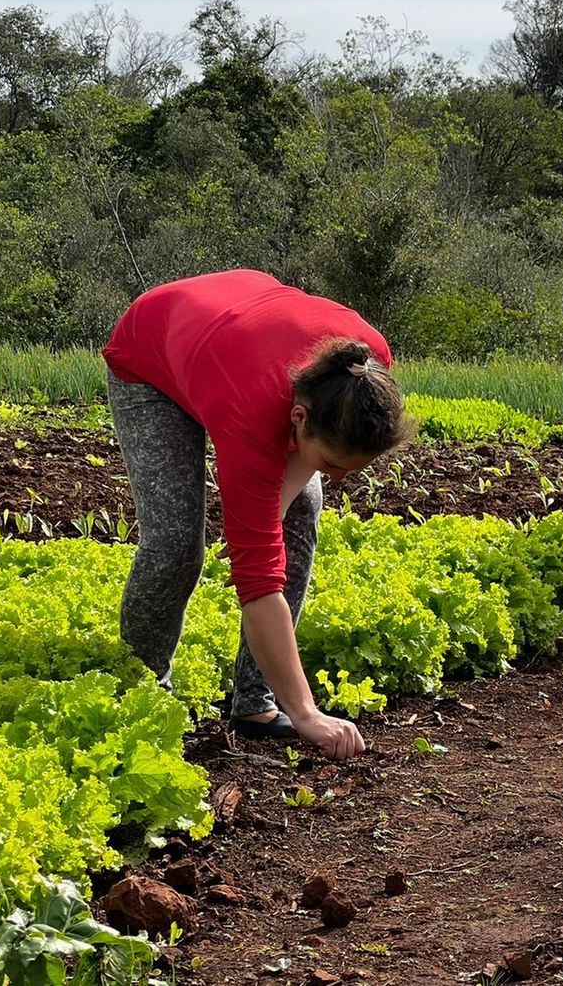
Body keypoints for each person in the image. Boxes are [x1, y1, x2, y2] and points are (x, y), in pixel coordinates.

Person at [102, 269, 414, 760]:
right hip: (153, 352)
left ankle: (256, 705)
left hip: (235, 337)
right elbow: (259, 583)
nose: (336, 477)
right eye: (331, 464)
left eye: (351, 470)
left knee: (305, 508)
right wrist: (309, 713)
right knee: (175, 543)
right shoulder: (251, 413)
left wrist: (268, 521)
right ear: (299, 418)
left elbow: (283, 511)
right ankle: (140, 695)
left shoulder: (363, 372)